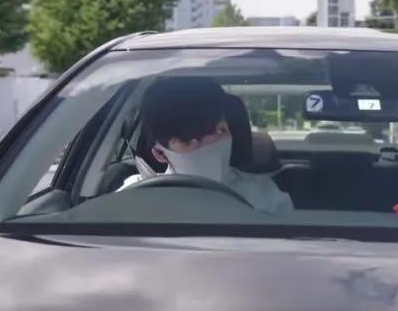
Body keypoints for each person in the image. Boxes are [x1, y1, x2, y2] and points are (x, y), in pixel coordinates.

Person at [118, 77, 294, 215]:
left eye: (220, 131)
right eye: (190, 140)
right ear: (159, 154)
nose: (212, 144)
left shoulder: (263, 195)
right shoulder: (134, 196)